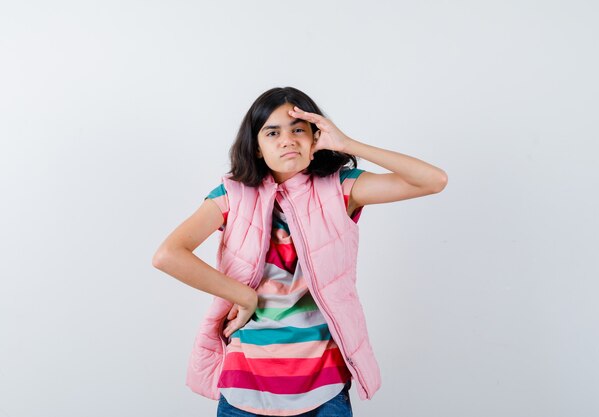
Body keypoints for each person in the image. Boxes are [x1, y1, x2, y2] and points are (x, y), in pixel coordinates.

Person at [152, 86, 448, 417]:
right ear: (258, 148)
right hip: (245, 385)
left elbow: (432, 181)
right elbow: (169, 254)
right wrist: (244, 296)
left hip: (325, 386)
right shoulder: (231, 196)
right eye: (272, 132)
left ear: (315, 139)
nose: (287, 140)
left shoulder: (341, 188)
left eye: (298, 130)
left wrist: (347, 144)